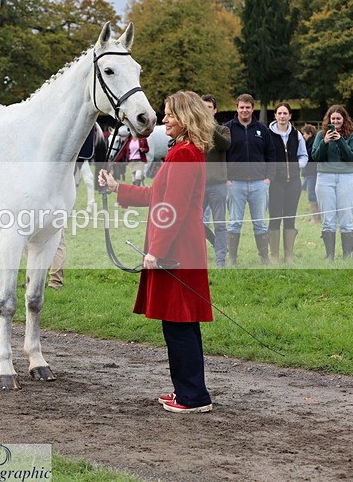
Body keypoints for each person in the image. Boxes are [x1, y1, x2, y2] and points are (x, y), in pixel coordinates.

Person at [98, 91, 214, 414]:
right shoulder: (185, 151)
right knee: (178, 323)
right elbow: (155, 194)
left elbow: (172, 207)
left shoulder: (185, 154)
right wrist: (116, 188)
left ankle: (192, 396)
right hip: (180, 249)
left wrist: (157, 251)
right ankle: (189, 392)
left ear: (186, 117)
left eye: (171, 115)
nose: (165, 120)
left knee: (178, 324)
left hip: (176, 252)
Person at [224, 94, 276, 265]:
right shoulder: (227, 129)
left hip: (259, 183)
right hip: (235, 184)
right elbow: (221, 156)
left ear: (252, 108)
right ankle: (232, 258)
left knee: (260, 222)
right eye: (241, 107)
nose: (244, 110)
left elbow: (271, 155)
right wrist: (227, 179)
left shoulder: (262, 129)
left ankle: (264, 257)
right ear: (236, 108)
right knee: (234, 223)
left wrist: (268, 178)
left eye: (248, 107)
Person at [312, 105, 353, 260]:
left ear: (344, 119)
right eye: (333, 119)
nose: (336, 121)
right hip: (325, 178)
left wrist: (340, 141)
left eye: (339, 118)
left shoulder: (351, 136)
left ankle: (347, 256)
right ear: (329, 120)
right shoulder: (320, 135)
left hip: (346, 178)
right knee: (328, 219)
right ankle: (330, 256)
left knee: (346, 218)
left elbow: (352, 157)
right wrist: (325, 142)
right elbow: (316, 157)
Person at [267, 103, 308, 263]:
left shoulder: (296, 134)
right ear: (275, 116)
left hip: (294, 182)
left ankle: (289, 255)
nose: (282, 116)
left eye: (285, 113)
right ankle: (274, 255)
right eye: (279, 113)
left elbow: (303, 155)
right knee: (275, 216)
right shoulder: (268, 134)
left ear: (290, 116)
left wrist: (296, 165)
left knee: (290, 217)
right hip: (275, 182)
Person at [200, 94, 230, 268]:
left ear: (215, 110)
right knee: (195, 221)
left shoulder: (223, 130)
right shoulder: (194, 130)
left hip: (217, 184)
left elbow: (225, 145)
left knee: (219, 223)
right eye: (202, 107)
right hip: (198, 185)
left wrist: (210, 127)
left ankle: (220, 260)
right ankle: (216, 243)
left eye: (209, 108)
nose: (205, 111)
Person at [300, 125, 321, 223]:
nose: (303, 136)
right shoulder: (308, 143)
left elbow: (309, 156)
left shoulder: (312, 144)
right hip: (309, 172)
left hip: (312, 173)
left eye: (304, 134)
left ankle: (316, 218)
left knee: (312, 195)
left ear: (309, 134)